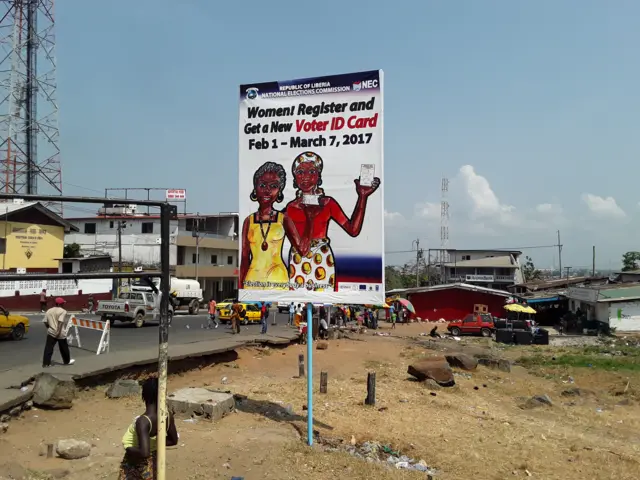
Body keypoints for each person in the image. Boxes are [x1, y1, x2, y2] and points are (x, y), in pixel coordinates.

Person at [284, 152, 381, 291]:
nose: (305, 176)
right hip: (299, 259)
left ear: (319, 176)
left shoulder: (327, 203)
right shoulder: (291, 208)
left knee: (323, 298)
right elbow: (302, 249)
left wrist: (362, 197)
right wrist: (310, 216)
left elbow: (353, 230)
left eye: (311, 171)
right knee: (299, 298)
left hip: (322, 258)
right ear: (294, 177)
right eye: (300, 171)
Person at [240, 162, 313, 291]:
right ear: (255, 188)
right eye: (262, 185)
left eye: (273, 186)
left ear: (279, 191)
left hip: (278, 282)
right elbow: (245, 258)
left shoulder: (283, 219)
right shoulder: (248, 221)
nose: (267, 190)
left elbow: (302, 250)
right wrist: (240, 289)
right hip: (252, 283)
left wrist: (309, 219)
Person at [118, 377, 178, 479]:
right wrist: (155, 444)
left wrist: (129, 449)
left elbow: (144, 452)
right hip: (154, 461)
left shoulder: (143, 421)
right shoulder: (167, 416)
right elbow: (173, 440)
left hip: (137, 463)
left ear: (144, 395)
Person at [42, 297, 75, 368]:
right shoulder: (63, 311)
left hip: (51, 332)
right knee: (64, 348)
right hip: (60, 333)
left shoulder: (49, 310)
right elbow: (60, 322)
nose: (64, 304)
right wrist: (57, 331)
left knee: (48, 348)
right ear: (61, 304)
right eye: (63, 303)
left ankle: (46, 363)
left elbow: (45, 321)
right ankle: (66, 361)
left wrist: (49, 327)